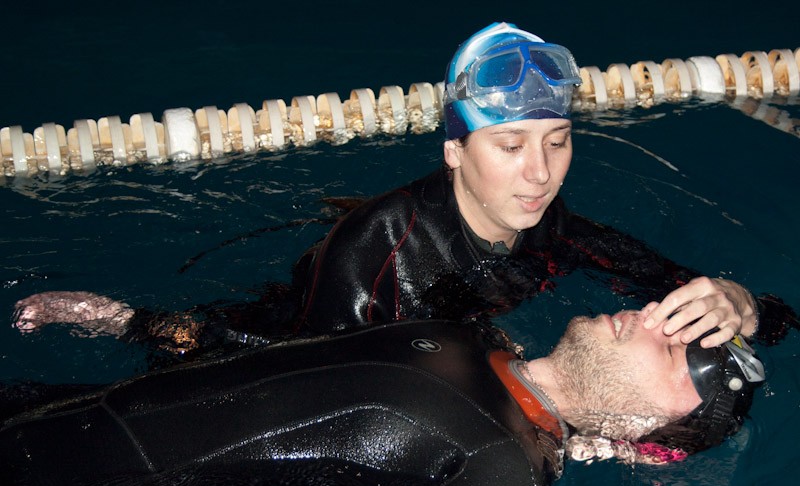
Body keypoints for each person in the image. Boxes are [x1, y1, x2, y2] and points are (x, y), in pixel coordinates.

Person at [11, 23, 797, 367]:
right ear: (455, 151)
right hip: (291, 337)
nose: (539, 173)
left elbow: (679, 286)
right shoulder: (375, 252)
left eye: (558, 144)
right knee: (194, 341)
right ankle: (125, 320)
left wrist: (738, 300)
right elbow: (312, 372)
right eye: (510, 146)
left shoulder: (546, 217)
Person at [0, 301, 766, 486]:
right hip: (51, 411)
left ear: (647, 445)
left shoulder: (505, 476)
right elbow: (286, 352)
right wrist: (137, 323)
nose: (659, 320)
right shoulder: (474, 333)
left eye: (677, 356)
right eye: (676, 316)